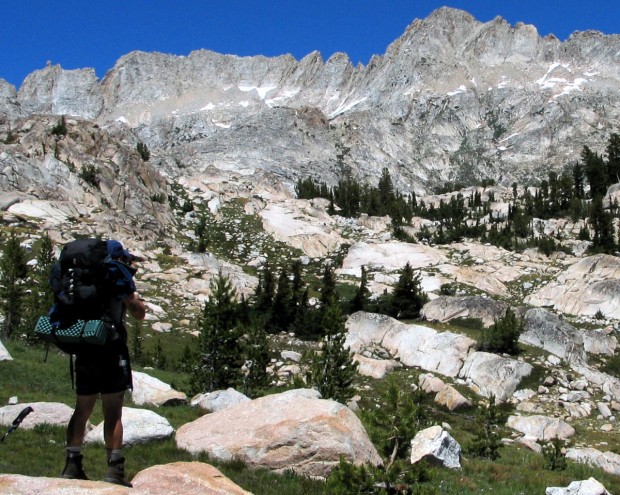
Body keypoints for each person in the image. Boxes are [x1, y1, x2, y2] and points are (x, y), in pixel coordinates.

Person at [60, 239, 146, 487]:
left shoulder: (82, 277)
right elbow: (137, 311)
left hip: (86, 344)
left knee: (82, 408)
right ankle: (114, 469)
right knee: (113, 410)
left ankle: (72, 463)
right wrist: (138, 303)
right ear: (118, 258)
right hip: (111, 347)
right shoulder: (116, 276)